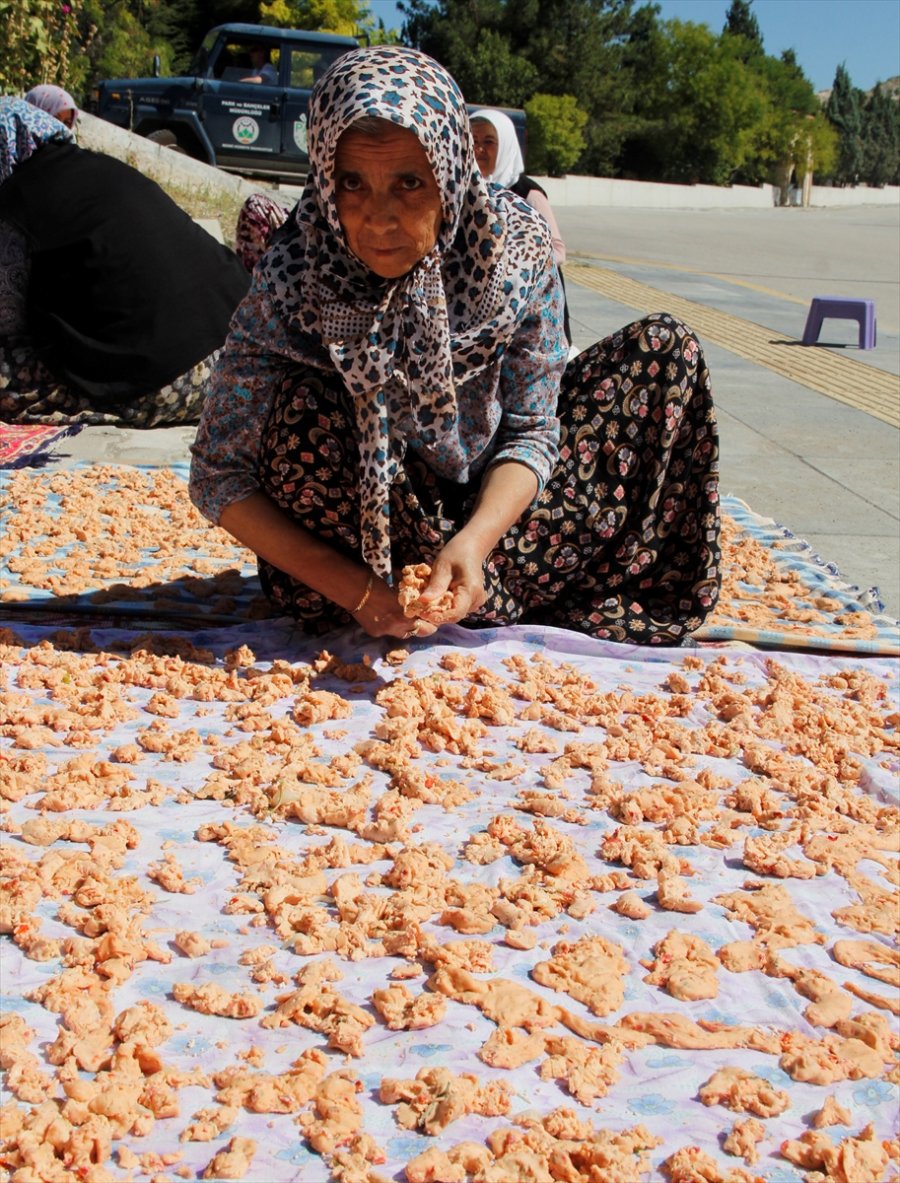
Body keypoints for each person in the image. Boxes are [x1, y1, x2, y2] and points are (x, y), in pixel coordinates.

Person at [189, 46, 720, 646]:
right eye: (352, 184)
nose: (378, 218)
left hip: (502, 523)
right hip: (365, 541)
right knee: (300, 403)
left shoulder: (514, 252)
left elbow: (530, 430)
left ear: (452, 175)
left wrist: (475, 541)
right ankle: (411, 595)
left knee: (664, 351)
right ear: (323, 180)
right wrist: (357, 591)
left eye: (409, 184)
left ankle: (481, 579)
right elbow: (218, 475)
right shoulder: (294, 274)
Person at [0, 97, 250, 427]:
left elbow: (8, 324)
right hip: (240, 360)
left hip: (174, 382)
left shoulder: (15, 204)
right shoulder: (103, 168)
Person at [471, 107, 573, 349]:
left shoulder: (528, 193)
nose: (479, 149)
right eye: (473, 140)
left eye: (489, 142)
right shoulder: (465, 189)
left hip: (525, 309)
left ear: (506, 145)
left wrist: (514, 268)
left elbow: (557, 250)